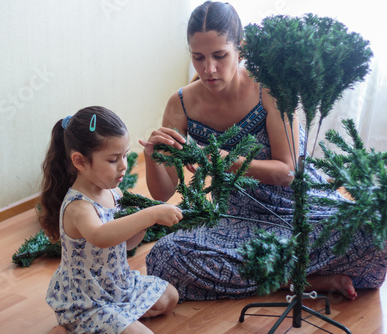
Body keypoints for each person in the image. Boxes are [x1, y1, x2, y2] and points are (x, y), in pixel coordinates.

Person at [139, 1, 387, 302]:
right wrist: (153, 156)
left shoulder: (269, 88)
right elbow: (162, 195)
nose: (209, 69)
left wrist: (218, 159)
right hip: (238, 219)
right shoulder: (179, 105)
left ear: (240, 49)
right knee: (164, 257)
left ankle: (278, 271)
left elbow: (287, 173)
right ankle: (300, 279)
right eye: (198, 57)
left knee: (377, 231)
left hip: (301, 206)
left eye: (220, 55)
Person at [40, 106, 182, 334]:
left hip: (118, 285)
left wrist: (142, 222)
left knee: (170, 297)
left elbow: (127, 244)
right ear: (80, 161)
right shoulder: (78, 207)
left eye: (125, 155)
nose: (124, 165)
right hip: (87, 301)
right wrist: (149, 215)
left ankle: (113, 322)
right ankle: (76, 326)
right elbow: (101, 237)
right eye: (113, 159)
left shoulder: (114, 193)